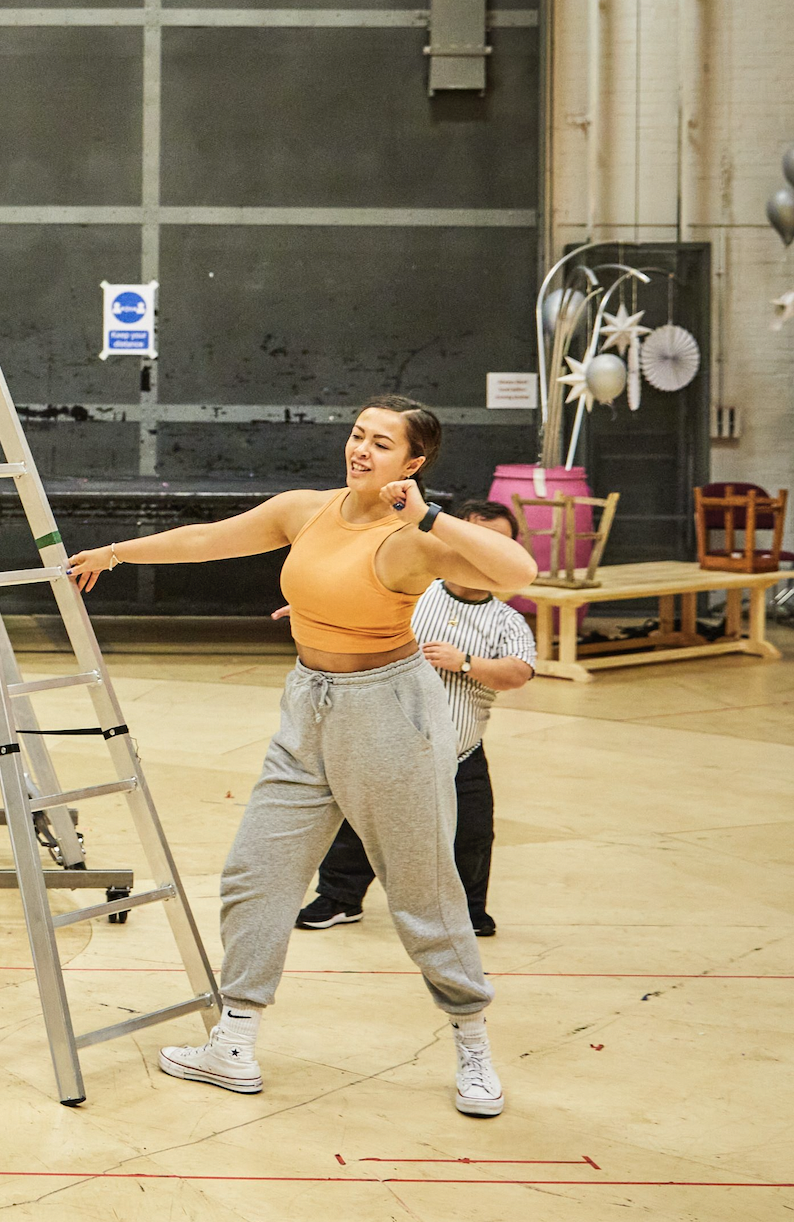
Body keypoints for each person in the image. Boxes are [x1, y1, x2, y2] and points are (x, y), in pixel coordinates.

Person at [63, 396, 537, 1119]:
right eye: (357, 435)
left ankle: (472, 1040)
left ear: (412, 463)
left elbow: (521, 570)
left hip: (390, 715)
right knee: (257, 873)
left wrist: (431, 515)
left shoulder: (412, 537)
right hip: (308, 707)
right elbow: (211, 538)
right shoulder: (305, 509)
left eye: (382, 444)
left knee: (424, 892)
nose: (361, 450)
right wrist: (118, 552)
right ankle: (235, 1038)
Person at [290, 499, 535, 938]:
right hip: (391, 742)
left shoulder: (507, 619)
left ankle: (468, 911)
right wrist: (316, 612)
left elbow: (519, 672)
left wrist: (465, 663)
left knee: (472, 835)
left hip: (462, 751)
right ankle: (339, 898)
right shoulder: (414, 590)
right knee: (357, 824)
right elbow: (357, 607)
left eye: (498, 542)